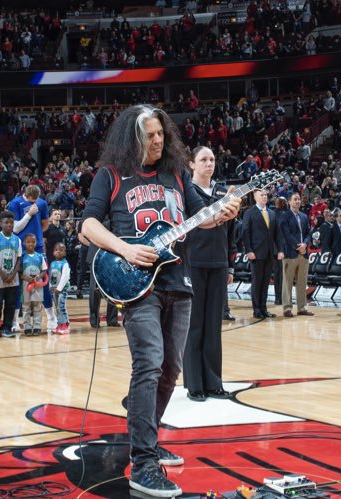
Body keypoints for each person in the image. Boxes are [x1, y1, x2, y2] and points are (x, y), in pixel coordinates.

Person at [78, 104, 237, 497]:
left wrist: (225, 212)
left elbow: (202, 217)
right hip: (137, 285)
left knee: (170, 370)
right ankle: (144, 462)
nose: (157, 140)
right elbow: (88, 225)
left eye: (161, 134)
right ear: (131, 138)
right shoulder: (111, 175)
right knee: (149, 363)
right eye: (149, 135)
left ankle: (146, 434)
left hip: (178, 280)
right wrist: (125, 249)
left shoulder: (177, 173)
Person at [183, 145, 232, 401]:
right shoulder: (186, 191)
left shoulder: (223, 192)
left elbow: (231, 231)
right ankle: (195, 384)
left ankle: (214, 382)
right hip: (193, 262)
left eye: (212, 159)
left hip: (218, 262)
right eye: (203, 159)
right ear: (192, 164)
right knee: (195, 325)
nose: (209, 163)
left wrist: (230, 263)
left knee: (213, 325)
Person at [274, 192, 312, 317]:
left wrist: (305, 244)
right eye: (295, 199)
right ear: (289, 201)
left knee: (302, 282)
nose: (298, 201)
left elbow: (309, 233)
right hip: (290, 253)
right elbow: (286, 235)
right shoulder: (284, 216)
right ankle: (287, 308)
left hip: (304, 254)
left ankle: (302, 307)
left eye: (299, 199)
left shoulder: (304, 216)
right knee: (287, 282)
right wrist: (299, 246)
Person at [241, 190, 276, 319]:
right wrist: (249, 250)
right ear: (255, 197)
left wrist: (279, 250)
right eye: (262, 195)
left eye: (266, 195)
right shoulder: (249, 212)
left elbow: (275, 233)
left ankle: (264, 308)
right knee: (257, 282)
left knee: (265, 282)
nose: (264, 197)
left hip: (269, 253)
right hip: (256, 253)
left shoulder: (272, 213)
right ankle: (256, 309)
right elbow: (245, 232)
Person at [0, 213, 21, 338]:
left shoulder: (17, 240)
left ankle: (7, 327)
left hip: (13, 278)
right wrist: (1, 273)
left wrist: (13, 274)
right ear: (1, 223)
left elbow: (19, 259)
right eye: (6, 222)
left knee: (11, 304)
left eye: (11, 222)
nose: (9, 225)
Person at [19, 233, 47, 336]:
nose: (31, 244)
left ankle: (37, 326)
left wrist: (39, 277)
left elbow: (44, 270)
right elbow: (18, 272)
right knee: (26, 307)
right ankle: (27, 327)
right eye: (28, 242)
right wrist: (26, 278)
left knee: (37, 306)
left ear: (36, 243)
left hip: (37, 286)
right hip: (25, 286)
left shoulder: (40, 256)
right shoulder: (22, 257)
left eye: (33, 242)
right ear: (24, 243)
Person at [50, 243, 72, 335]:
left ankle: (64, 325)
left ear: (65, 253)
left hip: (62, 290)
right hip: (54, 290)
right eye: (56, 250)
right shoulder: (52, 263)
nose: (58, 251)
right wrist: (51, 286)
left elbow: (65, 277)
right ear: (53, 252)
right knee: (57, 307)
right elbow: (51, 276)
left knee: (61, 307)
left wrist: (59, 289)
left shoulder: (65, 264)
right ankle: (60, 324)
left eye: (61, 250)